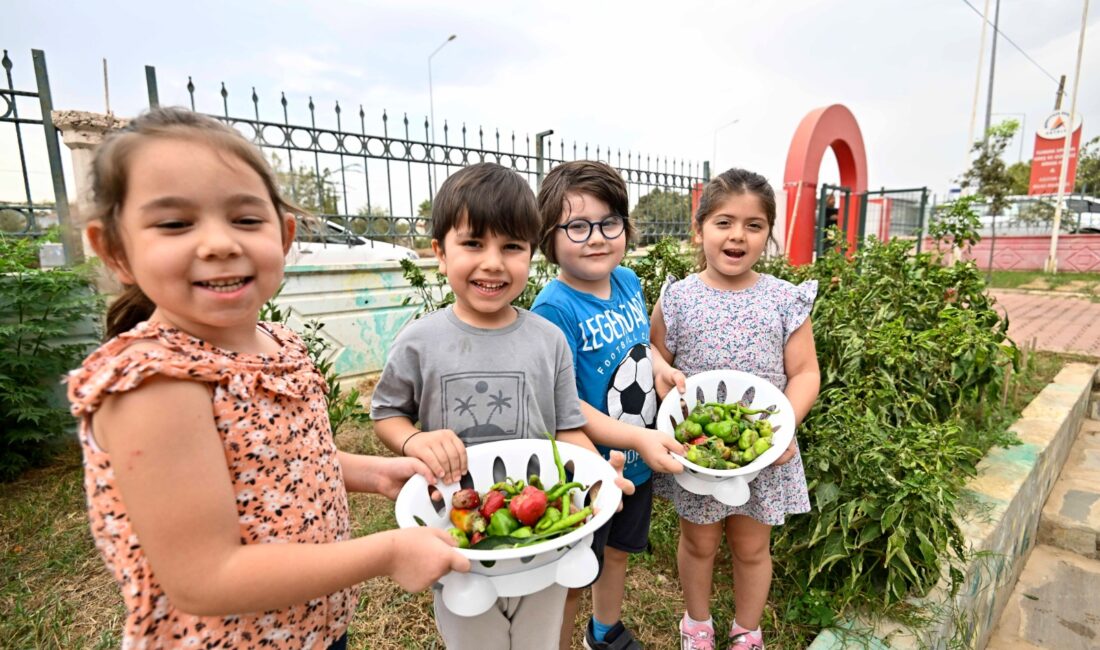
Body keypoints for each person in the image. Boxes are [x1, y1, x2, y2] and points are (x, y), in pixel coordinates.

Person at [67, 107, 468, 650]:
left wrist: (373, 472)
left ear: (283, 235)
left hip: (312, 626)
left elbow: (276, 459)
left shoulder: (277, 345)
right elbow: (204, 578)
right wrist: (390, 551)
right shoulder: (153, 385)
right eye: (175, 223)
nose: (218, 243)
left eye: (245, 219)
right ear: (115, 250)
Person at [371, 162, 631, 650]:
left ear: (532, 254)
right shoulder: (420, 342)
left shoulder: (548, 340)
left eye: (511, 247)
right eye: (473, 244)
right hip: (458, 529)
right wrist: (413, 439)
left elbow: (567, 428)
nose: (493, 263)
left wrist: (597, 472)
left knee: (540, 639)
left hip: (541, 532)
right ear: (439, 254)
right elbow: (387, 413)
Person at [650, 168, 820, 650]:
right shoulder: (678, 297)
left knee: (751, 547)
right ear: (699, 228)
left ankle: (748, 630)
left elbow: (806, 372)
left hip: (763, 449)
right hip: (698, 447)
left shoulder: (785, 299)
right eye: (724, 222)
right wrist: (662, 370)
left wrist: (784, 427)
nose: (737, 236)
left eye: (754, 225)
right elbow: (655, 354)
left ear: (768, 233)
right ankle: (697, 625)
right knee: (699, 542)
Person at [530, 160, 686, 650]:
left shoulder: (629, 282)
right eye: (577, 226)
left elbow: (642, 343)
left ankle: (605, 630)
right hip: (588, 472)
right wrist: (638, 436)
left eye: (608, 222)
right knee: (574, 573)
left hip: (636, 463)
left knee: (616, 553)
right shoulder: (554, 309)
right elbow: (565, 402)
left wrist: (659, 366)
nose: (596, 237)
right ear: (548, 238)